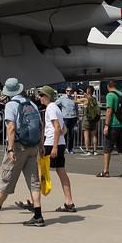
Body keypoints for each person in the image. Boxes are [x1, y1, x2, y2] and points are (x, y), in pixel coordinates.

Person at [0, 76, 45, 225]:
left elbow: (11, 128)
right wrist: (41, 145)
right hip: (33, 146)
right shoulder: (31, 103)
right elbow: (41, 124)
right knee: (34, 182)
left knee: (7, 178)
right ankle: (38, 215)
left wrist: (10, 148)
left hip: (19, 146)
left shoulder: (11, 105)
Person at [40, 85, 77, 213]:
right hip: (60, 143)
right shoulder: (56, 108)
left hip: (51, 143)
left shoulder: (50, 108)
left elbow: (56, 127)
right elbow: (63, 128)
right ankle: (69, 201)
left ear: (47, 97)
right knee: (61, 171)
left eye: (42, 95)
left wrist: (54, 146)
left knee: (41, 170)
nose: (40, 98)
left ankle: (32, 200)